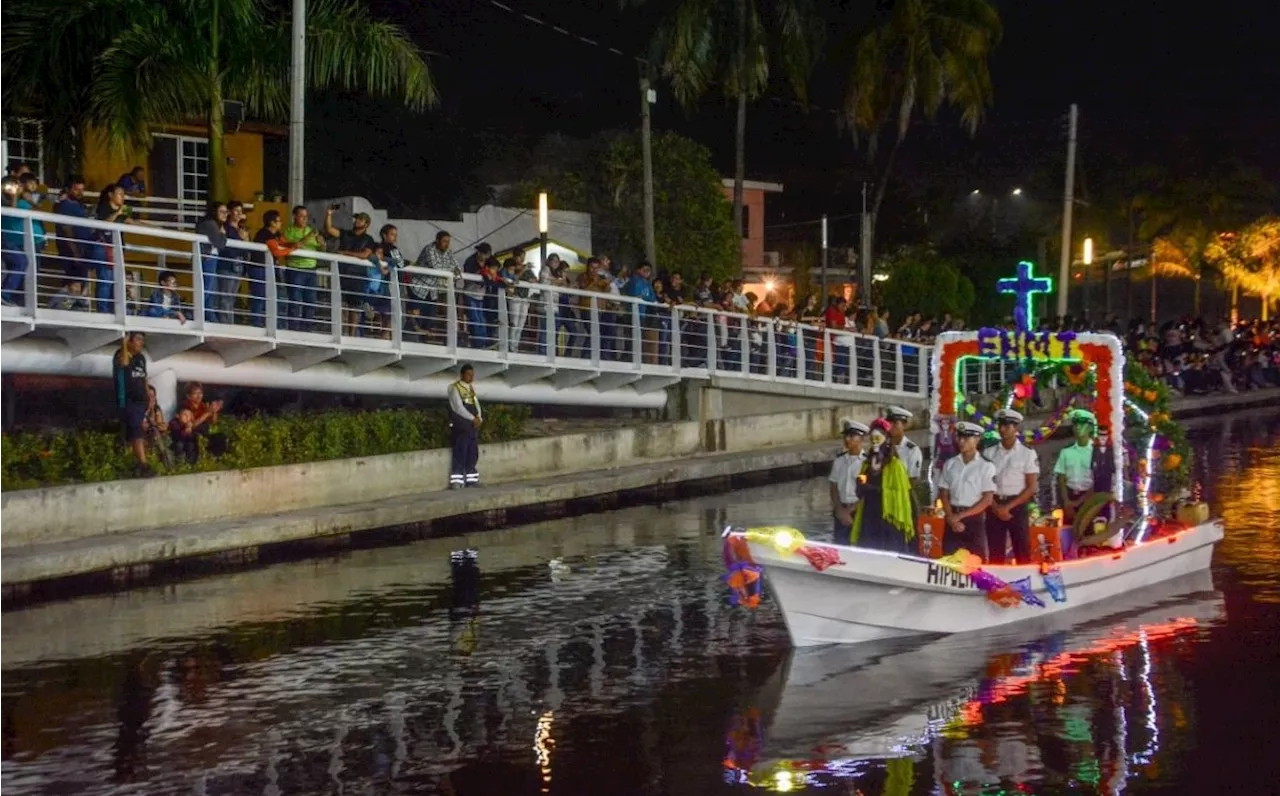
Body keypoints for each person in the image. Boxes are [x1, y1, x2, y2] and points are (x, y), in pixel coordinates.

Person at [983, 409, 1040, 564]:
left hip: (1017, 505)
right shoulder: (989, 452)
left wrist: (1008, 507)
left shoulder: (1027, 453)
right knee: (995, 552)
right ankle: (996, 586)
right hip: (993, 504)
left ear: (1016, 428)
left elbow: (1031, 486)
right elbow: (984, 484)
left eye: (1007, 426)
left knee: (1022, 550)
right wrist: (995, 506)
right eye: (1000, 425)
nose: (1002, 429)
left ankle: (1025, 584)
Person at [851, 418, 916, 552]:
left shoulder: (895, 466)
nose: (874, 442)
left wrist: (876, 490)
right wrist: (860, 487)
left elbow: (900, 494)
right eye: (872, 439)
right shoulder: (867, 464)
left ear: (886, 440)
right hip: (869, 515)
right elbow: (860, 493)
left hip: (888, 517)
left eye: (877, 438)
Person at [937, 421, 997, 560]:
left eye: (966, 438)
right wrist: (951, 517)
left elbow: (987, 499)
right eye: (959, 438)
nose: (961, 442)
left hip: (973, 519)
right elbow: (943, 492)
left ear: (976, 439)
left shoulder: (986, 466)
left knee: (976, 562)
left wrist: (961, 516)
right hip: (952, 515)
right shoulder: (950, 463)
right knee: (949, 561)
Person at [113, 331, 153, 477]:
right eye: (137, 339)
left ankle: (139, 463)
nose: (141, 343)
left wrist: (149, 395)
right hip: (129, 401)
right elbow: (123, 364)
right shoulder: (121, 354)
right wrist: (124, 343)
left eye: (142, 340)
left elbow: (144, 377)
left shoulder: (141, 358)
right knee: (136, 431)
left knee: (138, 432)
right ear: (129, 341)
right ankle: (143, 464)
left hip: (141, 401)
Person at [829, 420, 869, 545]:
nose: (847, 439)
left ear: (861, 438)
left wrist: (850, 510)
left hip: (858, 510)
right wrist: (839, 509)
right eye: (846, 436)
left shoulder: (866, 463)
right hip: (840, 509)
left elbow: (865, 491)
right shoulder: (839, 461)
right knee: (840, 546)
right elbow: (833, 486)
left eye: (852, 436)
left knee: (860, 546)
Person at [1055, 409, 1098, 525]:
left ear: (1090, 428)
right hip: (1069, 497)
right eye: (1076, 425)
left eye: (1082, 424)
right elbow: (1061, 478)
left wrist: (1078, 502)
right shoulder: (1066, 452)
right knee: (1067, 532)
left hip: (1089, 498)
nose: (1078, 427)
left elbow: (1098, 481)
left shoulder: (1097, 452)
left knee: (1088, 531)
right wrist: (1067, 502)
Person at [448, 364, 482, 489]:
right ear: (462, 374)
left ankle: (471, 480)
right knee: (460, 451)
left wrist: (479, 417)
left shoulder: (471, 388)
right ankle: (457, 481)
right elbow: (458, 407)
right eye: (468, 374)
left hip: (472, 425)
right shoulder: (454, 388)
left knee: (472, 453)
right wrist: (473, 418)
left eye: (472, 375)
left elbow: (476, 404)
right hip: (461, 425)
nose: (471, 377)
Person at [885, 405, 923, 480]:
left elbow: (913, 479)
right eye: (889, 423)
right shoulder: (883, 447)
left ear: (904, 425)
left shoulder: (912, 450)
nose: (890, 426)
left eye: (895, 423)